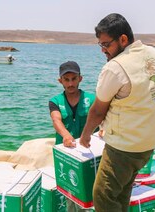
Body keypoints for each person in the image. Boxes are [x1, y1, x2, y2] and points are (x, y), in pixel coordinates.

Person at [79, 13, 155, 212]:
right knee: (123, 190)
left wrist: (85, 136)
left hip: (124, 149)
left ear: (123, 39)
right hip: (148, 144)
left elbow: (98, 110)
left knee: (103, 195)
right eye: (100, 45)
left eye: (106, 45)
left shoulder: (115, 68)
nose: (103, 51)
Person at [49, 61, 95, 212]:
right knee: (70, 194)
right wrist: (66, 135)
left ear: (80, 79)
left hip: (89, 152)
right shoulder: (55, 101)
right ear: (60, 81)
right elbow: (56, 119)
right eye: (66, 80)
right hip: (66, 153)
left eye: (74, 79)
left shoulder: (92, 99)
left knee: (91, 192)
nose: (70, 83)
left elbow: (102, 119)